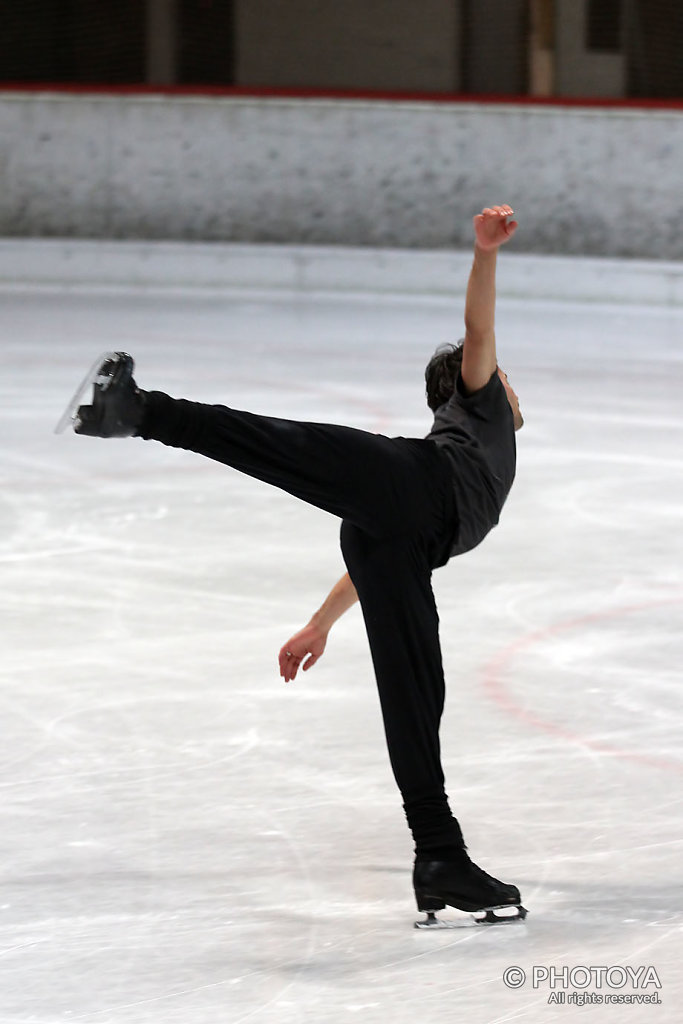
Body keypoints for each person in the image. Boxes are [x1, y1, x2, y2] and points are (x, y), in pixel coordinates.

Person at [63, 204, 526, 926]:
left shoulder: (471, 431)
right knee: (279, 445)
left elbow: (382, 542)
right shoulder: (480, 403)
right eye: (502, 377)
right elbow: (477, 330)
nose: (510, 385)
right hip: (406, 485)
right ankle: (138, 410)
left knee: (417, 698)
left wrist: (319, 625)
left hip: (402, 539)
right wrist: (484, 253)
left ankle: (439, 856)